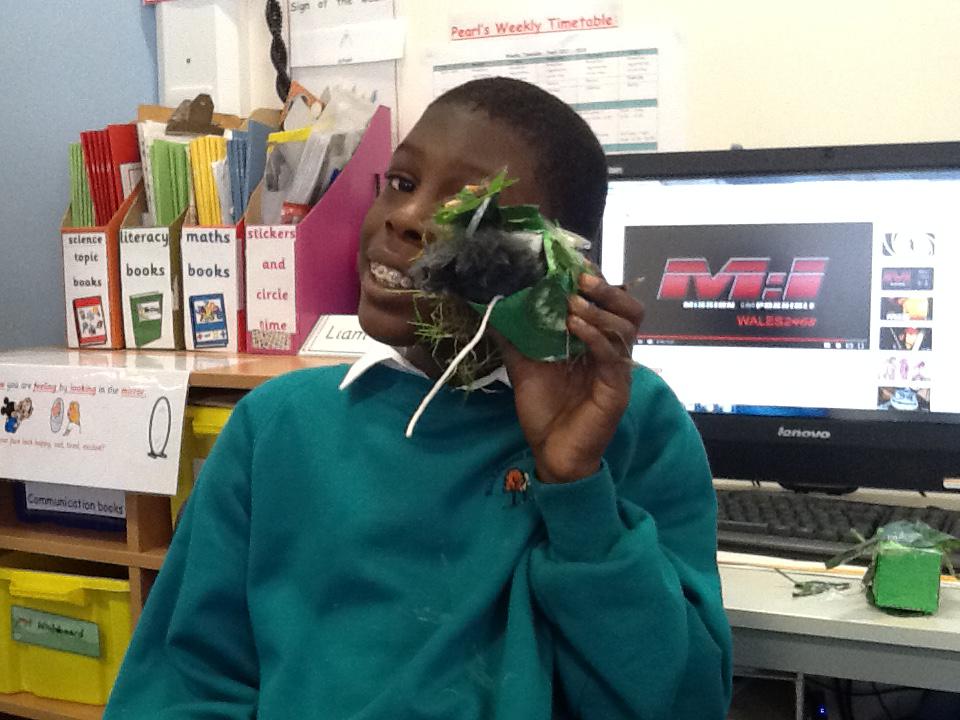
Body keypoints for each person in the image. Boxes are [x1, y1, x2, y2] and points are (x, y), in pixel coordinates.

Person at [104, 77, 732, 720]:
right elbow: (182, 686)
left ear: (554, 261)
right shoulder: (277, 426)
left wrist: (574, 486)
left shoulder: (630, 421)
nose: (405, 218)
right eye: (402, 183)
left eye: (468, 212)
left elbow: (683, 702)